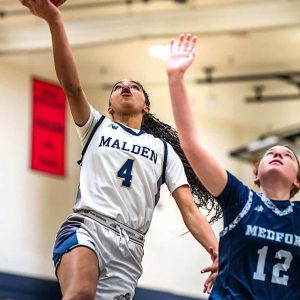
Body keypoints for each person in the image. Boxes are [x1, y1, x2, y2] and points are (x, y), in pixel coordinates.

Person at [20, 1, 219, 299]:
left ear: (147, 106)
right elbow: (72, 86)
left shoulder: (164, 151)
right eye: (118, 86)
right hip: (87, 226)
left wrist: (217, 252)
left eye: (135, 86)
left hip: (131, 246)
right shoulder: (96, 126)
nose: (126, 87)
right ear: (109, 106)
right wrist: (54, 21)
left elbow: (189, 210)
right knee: (80, 294)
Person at [165, 33, 300, 299]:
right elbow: (192, 146)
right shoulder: (241, 199)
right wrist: (175, 78)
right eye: (270, 152)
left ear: (297, 180)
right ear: (257, 176)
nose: (277, 154)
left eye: (288, 154)